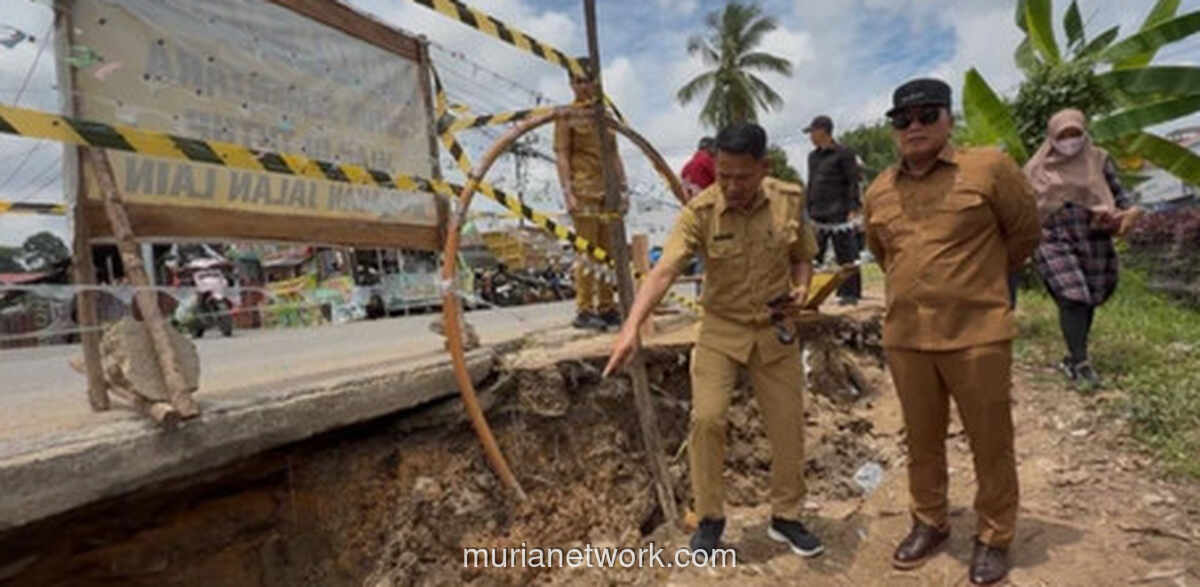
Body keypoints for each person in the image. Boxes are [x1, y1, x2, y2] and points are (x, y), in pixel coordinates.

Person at [603, 122, 824, 559]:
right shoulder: (700, 211)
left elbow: (802, 258)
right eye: (723, 175)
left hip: (775, 329)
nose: (732, 185)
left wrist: (801, 289)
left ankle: (787, 517)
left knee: (787, 427)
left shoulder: (788, 201)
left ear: (764, 168)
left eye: (742, 176)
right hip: (721, 329)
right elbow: (664, 269)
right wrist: (631, 326)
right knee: (707, 420)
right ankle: (709, 519)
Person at [862, 78, 1040, 585]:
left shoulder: (989, 168)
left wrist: (976, 283)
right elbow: (882, 253)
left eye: (926, 114)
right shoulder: (878, 189)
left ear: (948, 118)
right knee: (921, 438)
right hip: (907, 337)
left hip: (977, 332)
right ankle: (930, 520)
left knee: (990, 440)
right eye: (902, 119)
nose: (913, 126)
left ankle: (994, 534)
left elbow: (1023, 232)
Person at [1024, 108, 1142, 386]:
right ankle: (1080, 362)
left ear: (1084, 132)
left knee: (1088, 294)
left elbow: (1119, 195)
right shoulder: (1035, 169)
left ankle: (1074, 354)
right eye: (1063, 135)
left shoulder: (1098, 159)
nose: (1069, 140)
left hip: (1093, 234)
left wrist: (1127, 213)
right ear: (1051, 137)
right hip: (1051, 236)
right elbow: (1023, 206)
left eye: (1075, 133)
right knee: (1072, 295)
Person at [554, 58, 629, 331]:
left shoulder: (605, 115)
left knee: (609, 252)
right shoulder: (566, 115)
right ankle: (584, 309)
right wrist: (568, 193)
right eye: (576, 81)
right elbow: (562, 155)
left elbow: (614, 154)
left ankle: (607, 307)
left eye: (586, 80)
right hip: (583, 191)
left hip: (607, 192)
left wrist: (623, 188)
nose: (582, 86)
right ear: (571, 84)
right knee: (586, 253)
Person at [805, 115, 862, 305]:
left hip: (840, 211)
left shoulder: (844, 153)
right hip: (817, 213)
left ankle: (850, 294)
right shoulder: (812, 157)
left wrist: (853, 207)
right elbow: (811, 183)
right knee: (812, 255)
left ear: (823, 131)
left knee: (845, 255)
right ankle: (811, 294)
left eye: (812, 132)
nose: (810, 137)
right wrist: (808, 208)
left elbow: (852, 181)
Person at [681, 137, 716, 202]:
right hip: (705, 199)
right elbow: (720, 178)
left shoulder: (687, 165)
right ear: (711, 148)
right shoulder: (707, 160)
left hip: (691, 202)